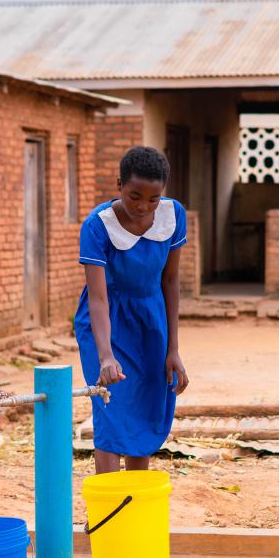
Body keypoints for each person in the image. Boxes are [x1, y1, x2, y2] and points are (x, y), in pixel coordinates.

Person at [74, 146, 189, 474]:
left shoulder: (173, 216)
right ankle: (113, 512)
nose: (143, 207)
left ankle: (135, 505)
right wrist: (106, 355)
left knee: (146, 406)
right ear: (119, 185)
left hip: (152, 320)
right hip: (107, 320)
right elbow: (98, 299)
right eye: (134, 195)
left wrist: (174, 349)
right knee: (113, 408)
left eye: (153, 199)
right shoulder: (98, 226)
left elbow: (170, 280)